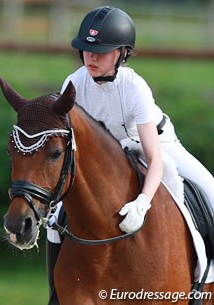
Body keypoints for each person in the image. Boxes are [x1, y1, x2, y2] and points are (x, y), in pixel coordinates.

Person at [46, 6, 214, 304]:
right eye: (86, 50)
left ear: (123, 53)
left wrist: (143, 202)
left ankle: (203, 279)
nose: (91, 57)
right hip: (105, 155)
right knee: (55, 221)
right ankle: (56, 294)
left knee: (211, 191)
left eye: (101, 51)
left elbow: (155, 158)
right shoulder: (73, 85)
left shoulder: (135, 88)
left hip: (157, 145)